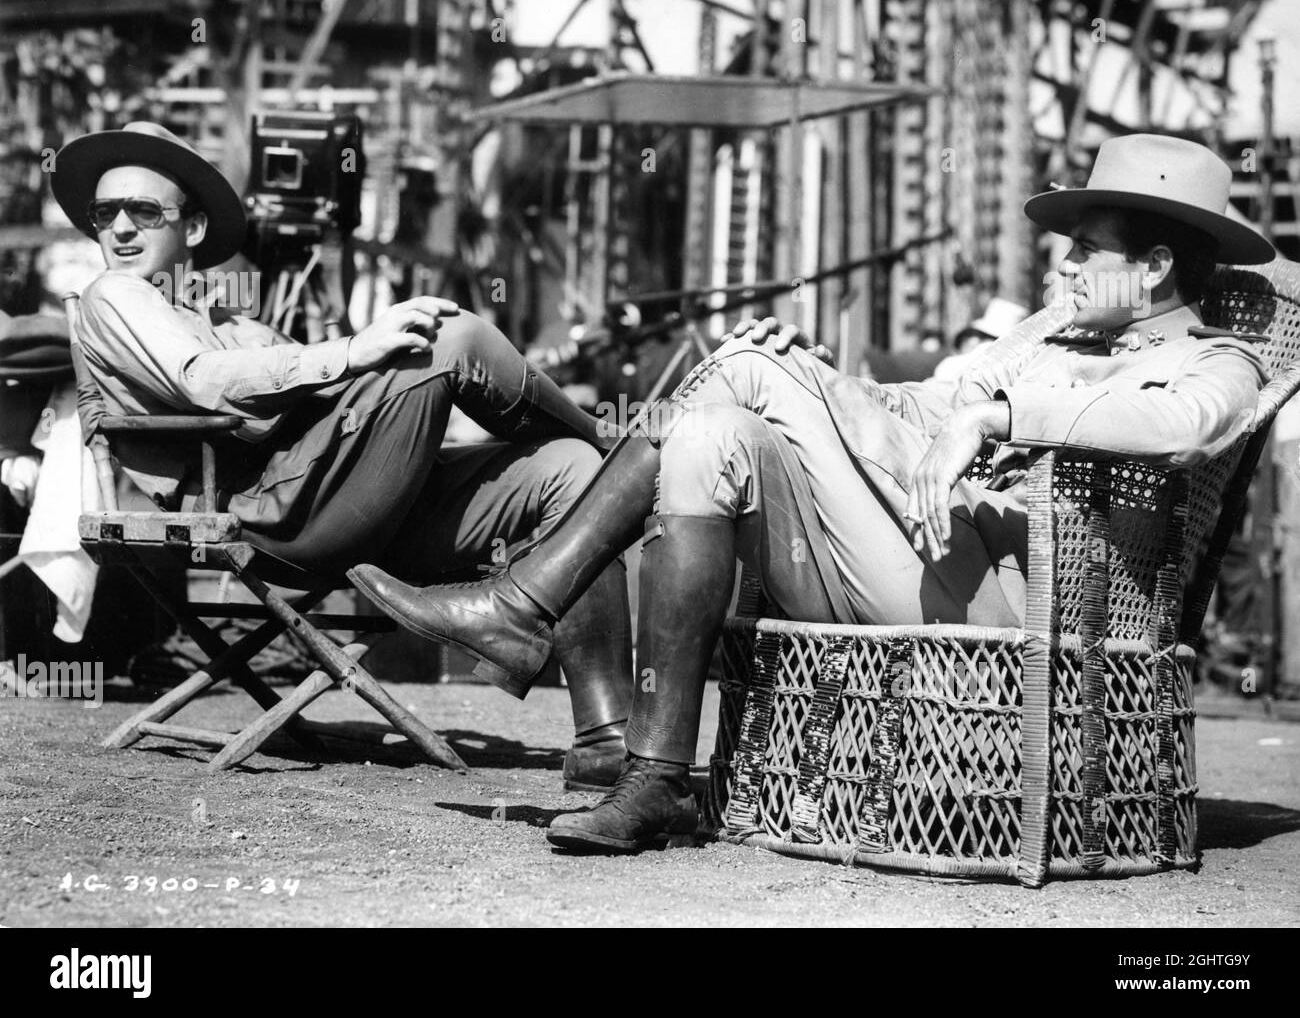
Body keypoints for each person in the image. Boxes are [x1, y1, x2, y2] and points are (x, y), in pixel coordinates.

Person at [349, 133, 1275, 852]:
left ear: (1152, 266)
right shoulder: (1034, 339)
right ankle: (657, 778)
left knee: (741, 373)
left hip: (1017, 624)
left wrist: (995, 418)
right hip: (914, 565)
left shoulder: (1214, 360)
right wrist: (824, 376)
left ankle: (524, 603)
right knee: (710, 432)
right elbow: (913, 404)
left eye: (1082, 250)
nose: (1058, 267)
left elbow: (1183, 428)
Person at [53, 122, 634, 790]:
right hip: (272, 517)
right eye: (106, 213)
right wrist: (357, 350)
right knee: (450, 334)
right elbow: (201, 381)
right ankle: (622, 450)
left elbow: (296, 389)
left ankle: (604, 739)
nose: (121, 228)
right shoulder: (115, 295)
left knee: (571, 473)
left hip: (334, 500)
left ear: (189, 228)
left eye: (144, 210)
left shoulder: (211, 314)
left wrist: (352, 357)